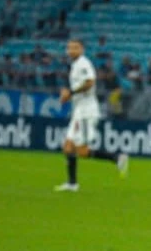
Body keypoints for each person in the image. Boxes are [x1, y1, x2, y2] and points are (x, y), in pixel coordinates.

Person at [54, 40, 128, 192]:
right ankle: (72, 184)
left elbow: (90, 82)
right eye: (69, 48)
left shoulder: (84, 63)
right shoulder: (75, 65)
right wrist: (67, 93)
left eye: (75, 48)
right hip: (78, 112)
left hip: (87, 113)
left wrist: (71, 93)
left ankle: (117, 157)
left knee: (82, 151)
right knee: (68, 147)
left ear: (82, 49)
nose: (71, 50)